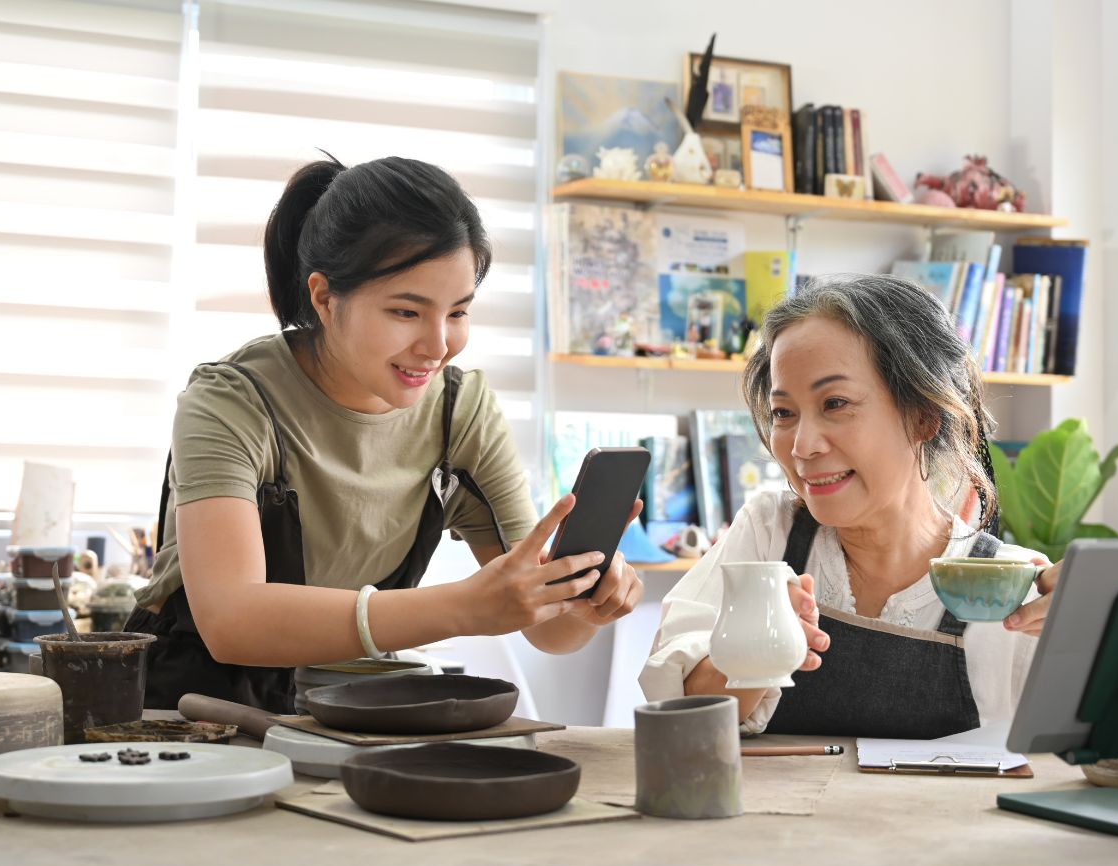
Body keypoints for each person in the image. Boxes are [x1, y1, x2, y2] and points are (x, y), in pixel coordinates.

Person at [128, 156, 643, 713]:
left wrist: (581, 605)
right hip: (198, 709)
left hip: (354, 708)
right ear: (324, 298)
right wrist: (464, 607)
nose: (438, 344)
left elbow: (548, 634)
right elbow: (232, 620)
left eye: (459, 312)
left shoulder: (459, 412)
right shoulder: (230, 401)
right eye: (406, 311)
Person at [640, 275, 1062, 738]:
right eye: (784, 413)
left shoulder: (1013, 590)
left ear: (922, 417)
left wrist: (1101, 632)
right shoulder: (769, 532)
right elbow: (678, 709)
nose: (801, 446)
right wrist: (758, 647)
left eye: (835, 403)